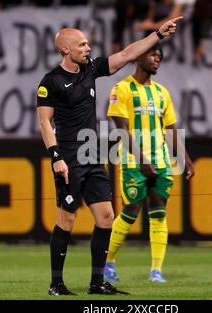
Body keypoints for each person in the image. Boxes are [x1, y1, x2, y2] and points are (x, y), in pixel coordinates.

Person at [36, 16, 183, 296]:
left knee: (106, 217)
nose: (88, 48)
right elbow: (45, 122)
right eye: (82, 44)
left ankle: (97, 283)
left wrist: (158, 35)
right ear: (66, 50)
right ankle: (56, 284)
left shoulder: (90, 69)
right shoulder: (51, 82)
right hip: (68, 157)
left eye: (88, 43)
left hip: (92, 155)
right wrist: (56, 157)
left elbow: (128, 54)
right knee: (66, 220)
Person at [104, 43, 194, 283]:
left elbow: (171, 129)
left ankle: (156, 271)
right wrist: (142, 160)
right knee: (130, 212)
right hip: (134, 162)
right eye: (152, 54)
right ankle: (108, 262)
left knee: (159, 214)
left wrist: (185, 159)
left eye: (160, 55)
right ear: (138, 56)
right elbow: (121, 130)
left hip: (161, 162)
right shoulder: (121, 89)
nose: (157, 58)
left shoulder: (162, 92)